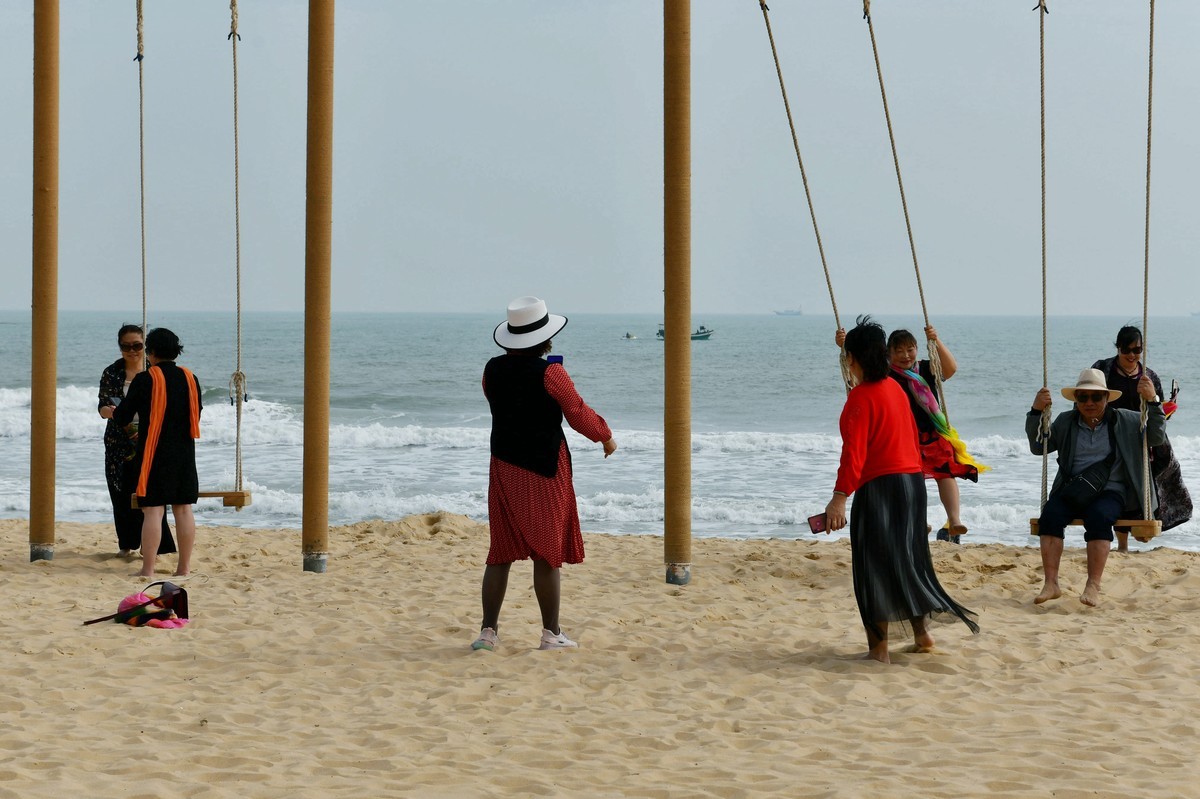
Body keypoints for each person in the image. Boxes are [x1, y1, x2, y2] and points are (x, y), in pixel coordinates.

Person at [823, 316, 978, 664]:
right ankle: (922, 636)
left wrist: (839, 498)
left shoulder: (860, 399)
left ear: (852, 359)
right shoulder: (896, 389)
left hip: (881, 487)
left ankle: (879, 651)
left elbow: (854, 455)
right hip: (912, 484)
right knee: (909, 561)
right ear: (884, 355)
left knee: (874, 566)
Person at [472, 296, 617, 653]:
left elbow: (502, 403)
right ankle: (551, 634)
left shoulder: (491, 370)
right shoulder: (552, 372)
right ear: (545, 339)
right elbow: (577, 411)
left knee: (501, 552)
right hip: (544, 468)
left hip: (503, 465)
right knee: (547, 552)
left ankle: (488, 632)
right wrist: (606, 436)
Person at [1025, 368, 1165, 607]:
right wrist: (1036, 411)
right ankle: (1051, 583)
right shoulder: (1066, 422)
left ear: (1106, 398)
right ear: (1076, 399)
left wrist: (1152, 401)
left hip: (1111, 490)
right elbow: (1039, 446)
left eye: (1096, 397)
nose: (1089, 403)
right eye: (1083, 397)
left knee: (1100, 517)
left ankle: (1093, 584)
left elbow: (1156, 437)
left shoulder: (1126, 420)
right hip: (1073, 488)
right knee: (1050, 517)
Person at [835, 325, 987, 544]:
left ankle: (954, 520)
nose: (905, 355)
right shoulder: (885, 375)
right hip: (905, 436)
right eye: (898, 351)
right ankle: (919, 520)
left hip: (933, 432)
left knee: (945, 474)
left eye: (910, 349)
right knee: (914, 478)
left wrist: (935, 341)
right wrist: (846, 348)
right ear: (887, 354)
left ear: (917, 349)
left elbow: (951, 369)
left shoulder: (926, 368)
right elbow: (857, 377)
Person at [102, 328, 201, 578]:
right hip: (184, 451)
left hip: (153, 451)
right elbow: (196, 413)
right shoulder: (190, 377)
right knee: (183, 509)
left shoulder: (146, 379)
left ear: (151, 352)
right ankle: (184, 568)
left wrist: (114, 411)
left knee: (153, 511)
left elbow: (123, 415)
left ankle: (148, 569)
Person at [1092, 325, 1192, 551]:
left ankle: (1144, 526)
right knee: (1119, 488)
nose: (1131, 355)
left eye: (1137, 350)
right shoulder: (1103, 369)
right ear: (1117, 348)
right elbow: (1088, 399)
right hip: (1112, 439)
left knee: (1147, 486)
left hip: (1142, 440)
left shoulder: (1150, 376)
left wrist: (1157, 400)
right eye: (1125, 350)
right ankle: (1122, 544)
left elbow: (1158, 414)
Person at [97, 324, 175, 558]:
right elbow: (101, 405)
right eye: (126, 346)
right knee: (120, 491)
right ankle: (127, 544)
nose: (132, 350)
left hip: (149, 439)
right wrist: (110, 412)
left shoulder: (155, 371)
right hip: (118, 440)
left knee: (149, 493)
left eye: (137, 345)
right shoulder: (112, 372)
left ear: (146, 346)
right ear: (120, 347)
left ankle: (153, 546)